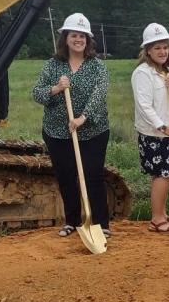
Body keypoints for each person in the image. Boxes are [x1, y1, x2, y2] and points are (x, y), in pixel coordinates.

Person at [32, 13, 113, 237]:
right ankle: (72, 221)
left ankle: (101, 223)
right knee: (66, 175)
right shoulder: (52, 65)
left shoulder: (97, 66)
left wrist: (82, 118)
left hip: (93, 131)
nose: (78, 39)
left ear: (88, 41)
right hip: (57, 132)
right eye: (74, 35)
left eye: (82, 36)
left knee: (93, 175)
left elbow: (99, 94)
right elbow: (37, 93)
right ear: (65, 38)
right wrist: (56, 88)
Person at [131, 23, 169, 233]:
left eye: (165, 47)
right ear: (148, 50)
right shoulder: (142, 73)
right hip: (156, 134)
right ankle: (156, 218)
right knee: (163, 175)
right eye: (157, 48)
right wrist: (163, 127)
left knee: (166, 174)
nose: (162, 51)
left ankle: (162, 213)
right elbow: (144, 105)